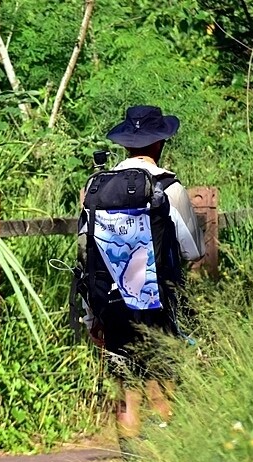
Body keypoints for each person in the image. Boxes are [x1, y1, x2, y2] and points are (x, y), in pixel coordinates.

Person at [78, 105, 205, 441]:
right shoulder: (170, 188)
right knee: (160, 389)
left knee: (126, 394)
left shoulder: (95, 189)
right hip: (157, 304)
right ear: (159, 142)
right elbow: (194, 252)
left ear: (125, 144)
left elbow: (86, 253)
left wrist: (93, 318)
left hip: (111, 305)